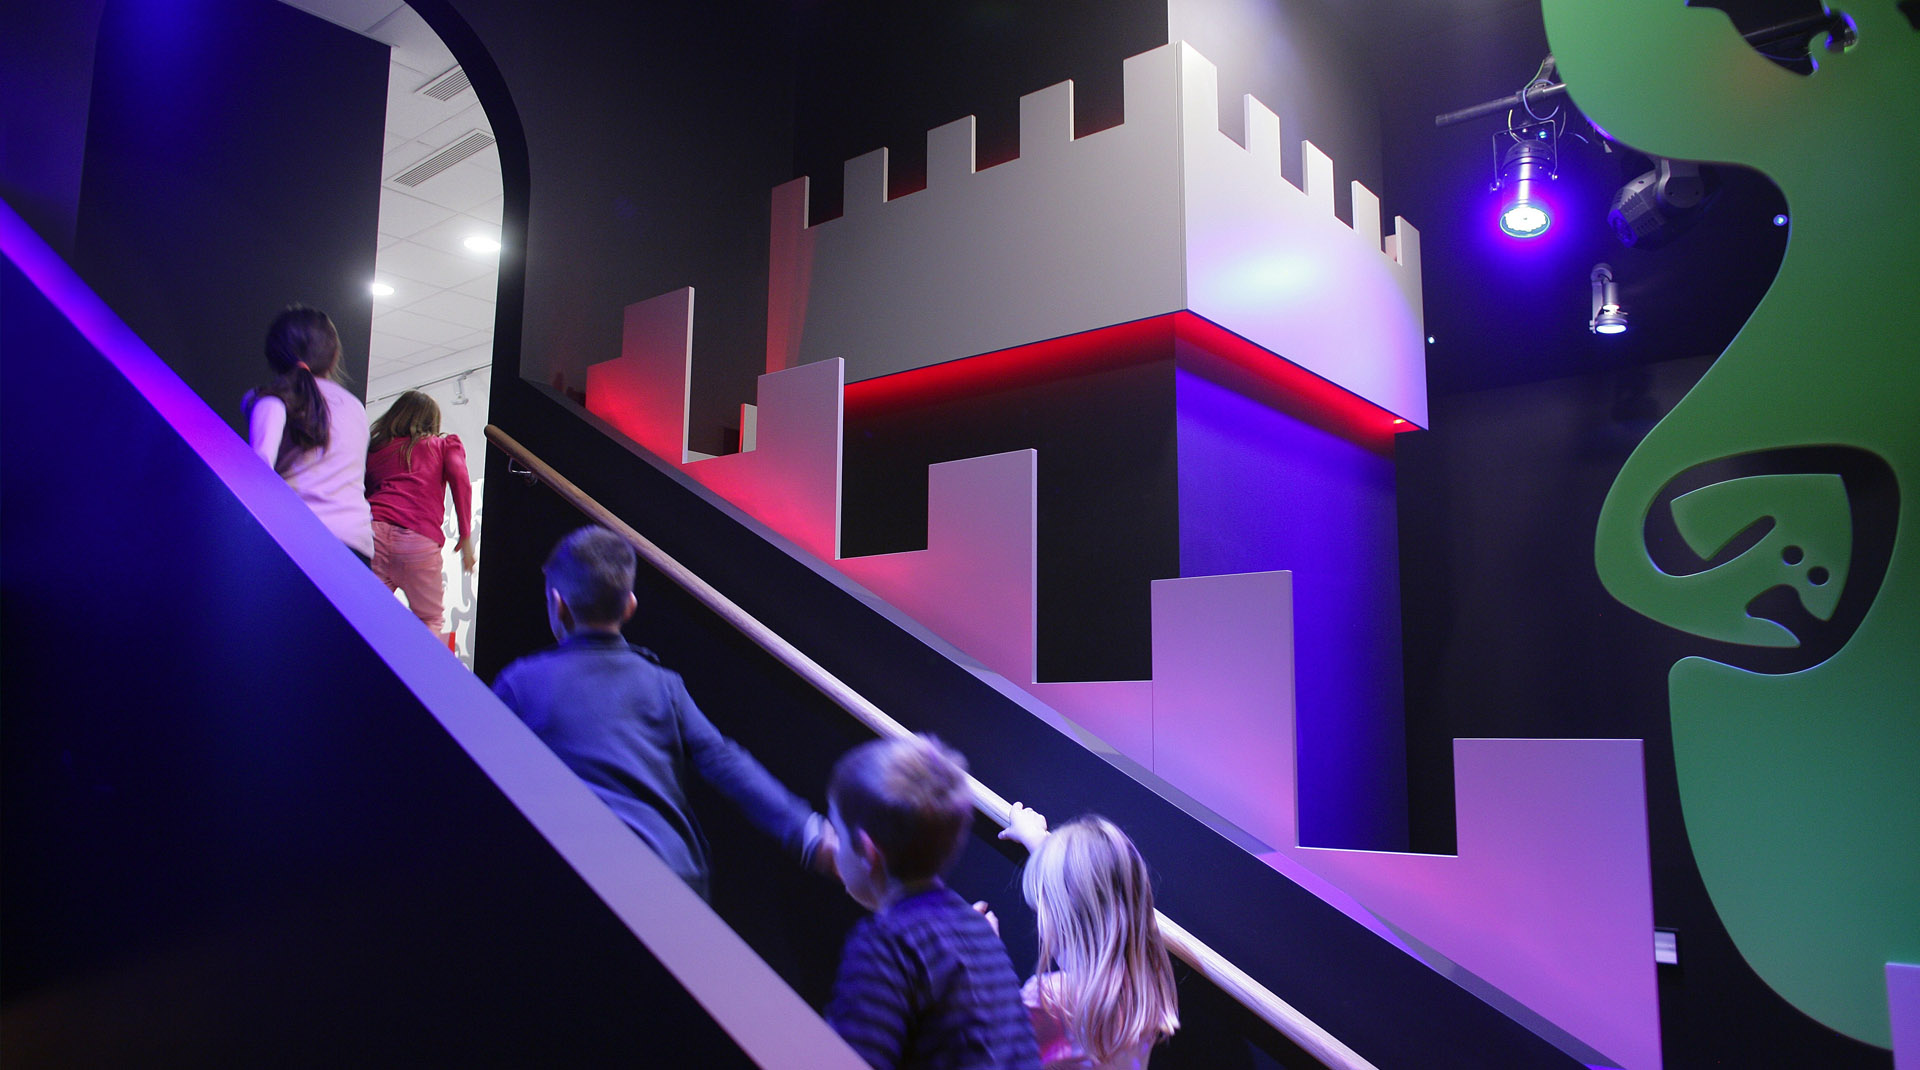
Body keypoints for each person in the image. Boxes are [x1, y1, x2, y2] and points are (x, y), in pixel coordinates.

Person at [491, 525, 832, 900]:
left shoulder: (519, 684)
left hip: (577, 876)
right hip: (671, 875)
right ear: (630, 606)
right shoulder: (662, 685)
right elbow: (725, 761)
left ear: (558, 604)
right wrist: (807, 832)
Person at [824, 735, 1039, 1070]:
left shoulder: (887, 945)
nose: (832, 847)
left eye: (838, 834)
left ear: (868, 852)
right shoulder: (979, 932)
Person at [998, 804, 1179, 1070]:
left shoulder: (1050, 999)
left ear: (1063, 918)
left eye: (1043, 910)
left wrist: (985, 958)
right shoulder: (1148, 983)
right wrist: (1035, 840)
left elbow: (988, 1049)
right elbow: (1103, 891)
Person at [245, 305, 372, 560]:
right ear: (334, 355)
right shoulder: (356, 407)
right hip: (355, 545)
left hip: (297, 540)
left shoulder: (272, 401)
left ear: (274, 355)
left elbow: (259, 471)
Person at [365, 390, 475, 641]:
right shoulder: (443, 445)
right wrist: (465, 535)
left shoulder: (376, 450)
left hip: (374, 534)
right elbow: (460, 479)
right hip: (417, 540)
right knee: (429, 619)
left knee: (367, 616)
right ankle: (421, 667)